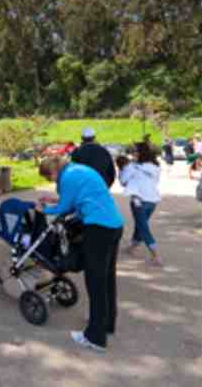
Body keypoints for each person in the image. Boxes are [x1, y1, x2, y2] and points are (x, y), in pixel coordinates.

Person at [37, 156, 124, 353]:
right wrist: (54, 199)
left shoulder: (67, 177)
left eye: (50, 178)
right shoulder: (79, 170)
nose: (52, 182)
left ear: (53, 172)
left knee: (95, 282)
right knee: (107, 279)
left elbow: (64, 208)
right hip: (114, 226)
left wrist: (43, 208)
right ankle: (106, 323)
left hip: (98, 229)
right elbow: (79, 198)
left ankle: (94, 337)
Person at [117, 143, 163, 266]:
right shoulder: (155, 167)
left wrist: (122, 170)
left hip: (138, 201)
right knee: (141, 225)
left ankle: (155, 255)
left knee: (143, 227)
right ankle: (132, 247)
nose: (132, 154)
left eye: (134, 152)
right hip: (153, 200)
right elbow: (155, 181)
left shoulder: (131, 167)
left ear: (139, 153)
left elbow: (123, 181)